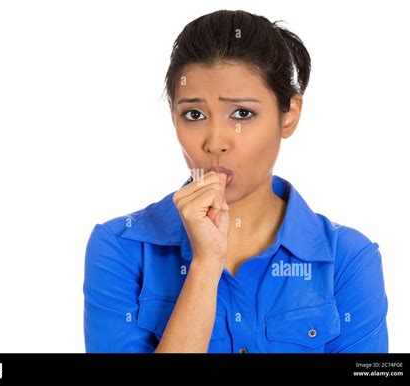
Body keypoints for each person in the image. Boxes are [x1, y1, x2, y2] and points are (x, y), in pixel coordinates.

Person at [83, 9, 388, 353]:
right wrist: (205, 266)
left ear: (289, 115)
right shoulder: (118, 248)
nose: (215, 142)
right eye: (194, 114)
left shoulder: (347, 259)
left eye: (242, 113)